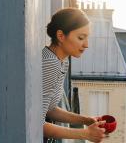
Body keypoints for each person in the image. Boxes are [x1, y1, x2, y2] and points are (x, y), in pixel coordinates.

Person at [42, 8, 106, 143]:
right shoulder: (50, 63)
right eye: (81, 38)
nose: (86, 45)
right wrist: (85, 134)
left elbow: (49, 109)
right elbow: (36, 123)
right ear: (61, 36)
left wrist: (86, 120)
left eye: (87, 38)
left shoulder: (62, 61)